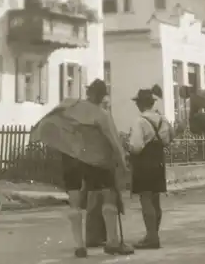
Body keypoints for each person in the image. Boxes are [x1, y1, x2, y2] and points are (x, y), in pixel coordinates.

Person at [31, 79, 134, 257]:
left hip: (71, 158)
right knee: (108, 196)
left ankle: (80, 246)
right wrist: (122, 164)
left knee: (74, 201)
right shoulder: (102, 115)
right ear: (103, 96)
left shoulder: (70, 105)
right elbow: (115, 142)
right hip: (96, 161)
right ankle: (112, 242)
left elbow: (49, 120)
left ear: (88, 92)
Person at [128, 85, 174, 249]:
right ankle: (153, 234)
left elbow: (136, 146)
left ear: (140, 104)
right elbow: (168, 140)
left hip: (144, 163)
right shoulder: (162, 120)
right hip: (159, 161)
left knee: (145, 198)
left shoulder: (140, 121)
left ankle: (152, 237)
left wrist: (128, 148)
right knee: (156, 200)